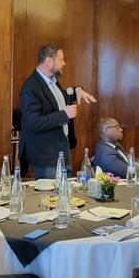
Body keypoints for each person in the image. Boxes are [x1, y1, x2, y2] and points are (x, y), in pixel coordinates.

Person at [18, 43, 96, 179]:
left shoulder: (52, 80)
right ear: (49, 61)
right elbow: (32, 122)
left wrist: (77, 90)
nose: (64, 63)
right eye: (61, 60)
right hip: (46, 156)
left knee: (65, 189)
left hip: (62, 148)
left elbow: (57, 100)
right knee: (51, 192)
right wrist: (64, 115)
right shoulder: (30, 88)